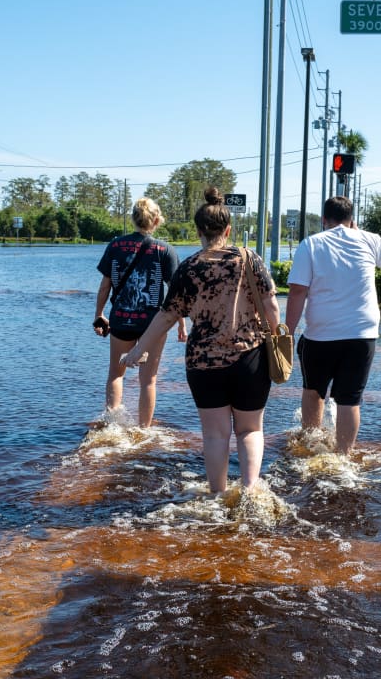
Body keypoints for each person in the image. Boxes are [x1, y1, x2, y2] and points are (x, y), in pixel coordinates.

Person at [122, 187, 281, 493]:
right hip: (251, 359)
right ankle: (249, 490)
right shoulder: (250, 260)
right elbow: (272, 305)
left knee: (215, 435)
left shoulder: (189, 268)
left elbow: (166, 316)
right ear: (228, 229)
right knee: (249, 430)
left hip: (204, 363)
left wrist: (137, 351)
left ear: (198, 231)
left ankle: (218, 495)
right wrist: (278, 338)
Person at [284, 195, 381, 457]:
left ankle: (311, 447)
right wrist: (359, 234)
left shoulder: (311, 244)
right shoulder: (370, 240)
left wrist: (288, 333)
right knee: (350, 400)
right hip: (362, 335)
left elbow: (298, 291)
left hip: (320, 335)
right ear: (351, 220)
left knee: (313, 392)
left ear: (324, 219)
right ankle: (344, 456)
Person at [93, 197, 186, 427]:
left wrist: (99, 313)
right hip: (152, 324)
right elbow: (176, 293)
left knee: (116, 374)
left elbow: (105, 285)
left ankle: (111, 426)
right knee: (148, 381)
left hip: (121, 320)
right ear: (156, 221)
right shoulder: (165, 251)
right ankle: (144, 430)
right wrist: (182, 324)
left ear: (133, 219)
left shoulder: (115, 246)